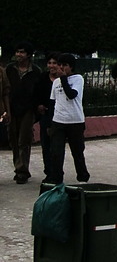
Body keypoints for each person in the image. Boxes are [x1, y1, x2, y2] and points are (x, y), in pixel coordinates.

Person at [47, 53, 90, 184]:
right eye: (60, 65)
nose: (61, 68)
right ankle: (56, 177)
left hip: (75, 121)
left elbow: (71, 94)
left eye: (64, 65)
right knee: (56, 152)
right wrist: (50, 123)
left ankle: (82, 175)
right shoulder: (56, 83)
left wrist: (64, 78)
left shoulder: (78, 79)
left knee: (77, 151)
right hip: (59, 120)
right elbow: (52, 102)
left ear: (71, 67)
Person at [6, 41, 42, 184]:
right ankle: (18, 166)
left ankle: (22, 170)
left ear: (28, 55)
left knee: (24, 139)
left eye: (22, 52)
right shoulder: (10, 69)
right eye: (17, 52)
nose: (19, 55)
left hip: (28, 109)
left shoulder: (35, 71)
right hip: (12, 108)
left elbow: (38, 91)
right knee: (13, 139)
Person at [33, 52, 61, 181]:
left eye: (54, 63)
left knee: (57, 146)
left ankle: (57, 171)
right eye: (49, 63)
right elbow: (36, 93)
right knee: (46, 144)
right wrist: (39, 105)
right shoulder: (43, 78)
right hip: (46, 114)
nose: (52, 66)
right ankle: (49, 171)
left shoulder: (63, 80)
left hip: (59, 116)